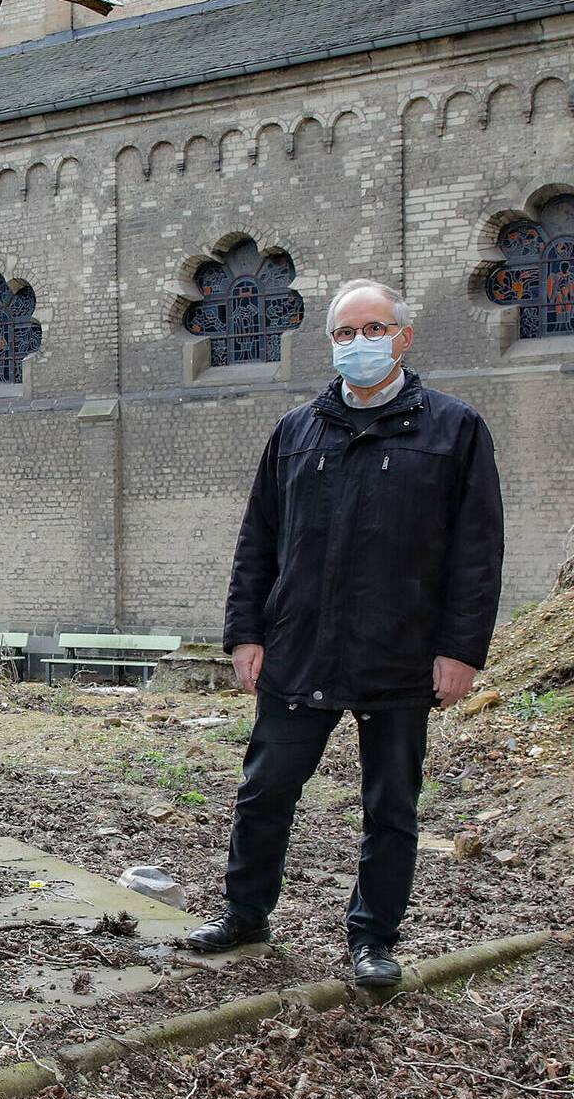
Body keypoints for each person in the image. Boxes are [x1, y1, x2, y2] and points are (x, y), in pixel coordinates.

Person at [184, 279, 504, 986]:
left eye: (374, 329)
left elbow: (477, 552)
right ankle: (244, 913)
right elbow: (258, 540)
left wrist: (460, 650)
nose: (359, 343)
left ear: (403, 338)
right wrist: (246, 632)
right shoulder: (296, 431)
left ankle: (373, 939)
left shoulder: (454, 430)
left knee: (390, 805)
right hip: (301, 646)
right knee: (266, 789)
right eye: (344, 332)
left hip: (400, 652)